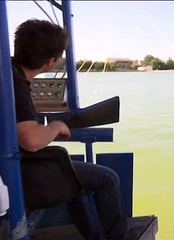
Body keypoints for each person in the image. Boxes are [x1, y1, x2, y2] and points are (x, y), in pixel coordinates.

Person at [12, 19, 136, 240]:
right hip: (17, 169)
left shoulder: (7, 72)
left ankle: (94, 236)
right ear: (52, 61)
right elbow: (31, 140)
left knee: (70, 176)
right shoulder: (15, 83)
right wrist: (55, 126)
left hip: (14, 164)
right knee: (107, 178)